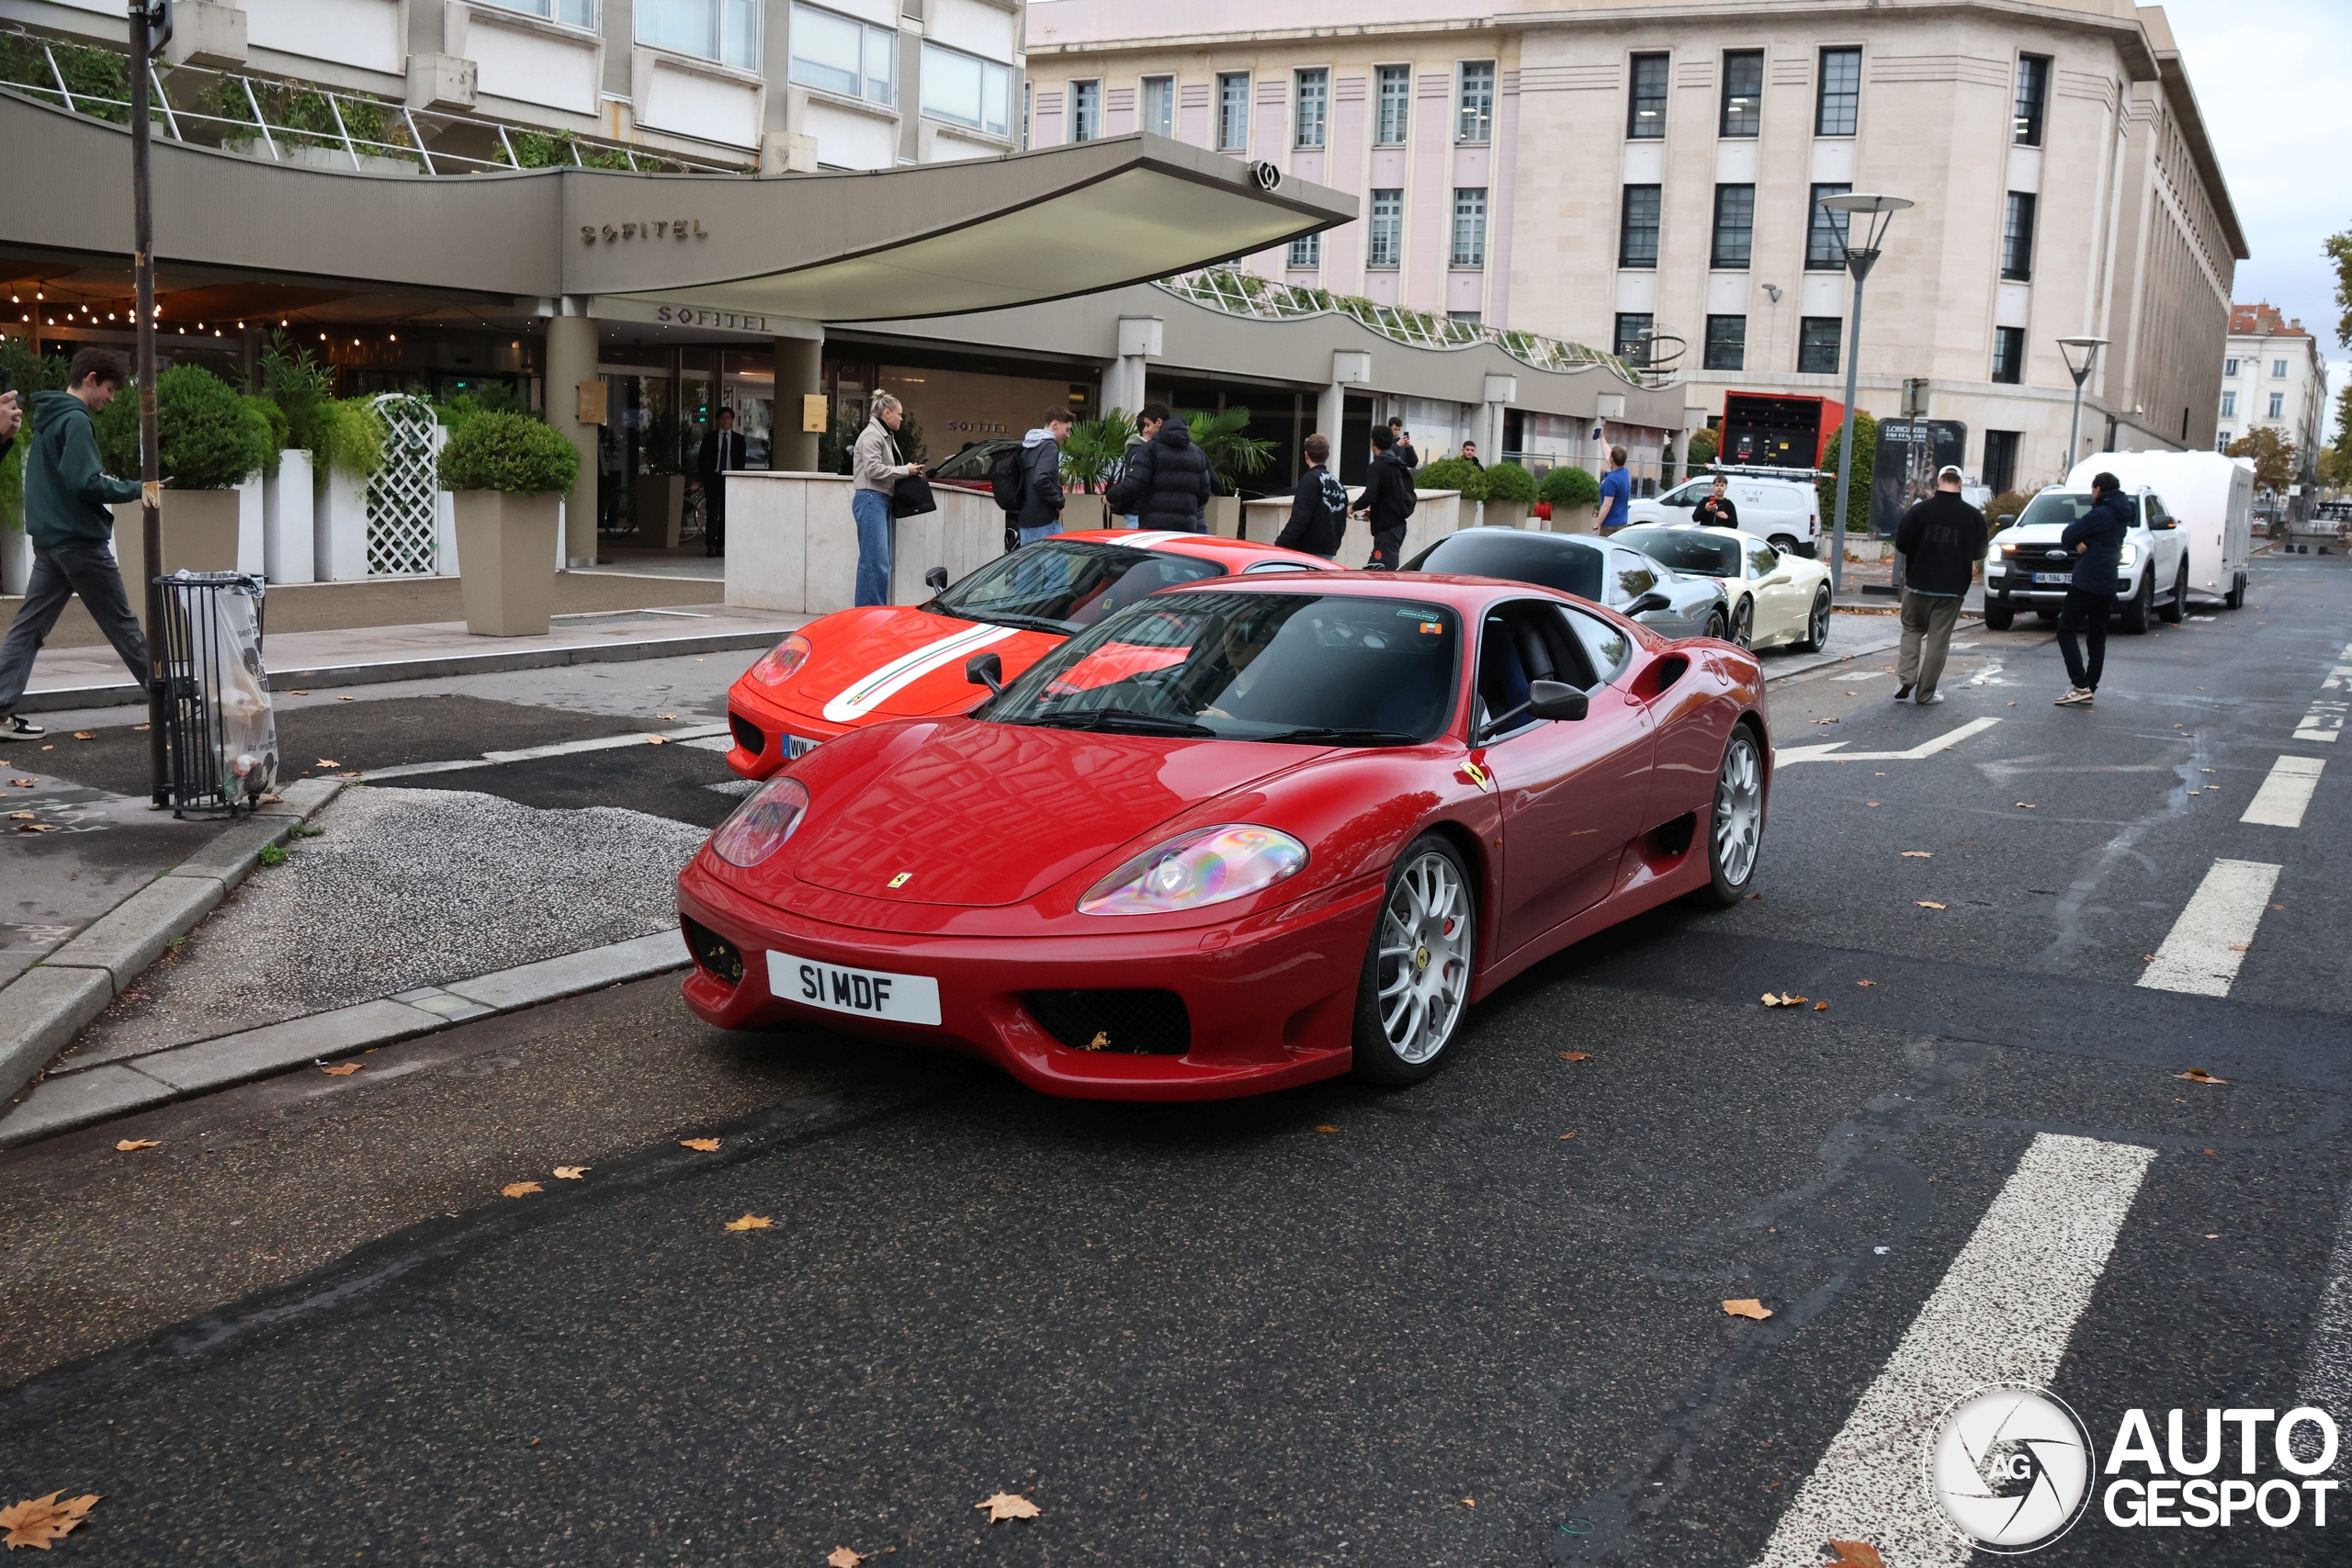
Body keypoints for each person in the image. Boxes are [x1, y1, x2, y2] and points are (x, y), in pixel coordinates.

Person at [0, 348, 149, 742]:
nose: (111, 398)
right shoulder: (76, 420)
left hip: (50, 542)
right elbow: (86, 481)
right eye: (110, 388)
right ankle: (176, 698)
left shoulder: (48, 417)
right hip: (81, 542)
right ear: (91, 378)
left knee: (28, 628)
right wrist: (137, 489)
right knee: (123, 625)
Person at [1891, 463, 1987, 705]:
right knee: (1938, 640)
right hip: (1951, 590)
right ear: (1960, 484)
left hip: (1917, 584)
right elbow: (1979, 552)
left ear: (1938, 482)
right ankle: (1926, 693)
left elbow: (1901, 544)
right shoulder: (1973, 516)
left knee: (1912, 630)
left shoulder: (1919, 511)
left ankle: (1906, 678)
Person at [2054, 472, 2132, 707]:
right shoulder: (2122, 514)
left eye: (2092, 489)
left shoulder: (2101, 513)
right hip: (2108, 581)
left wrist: (2082, 538)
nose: (2091, 493)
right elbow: (2103, 537)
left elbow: (2068, 535)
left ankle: (2080, 685)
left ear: (2099, 489)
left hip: (2087, 581)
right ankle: (2090, 686)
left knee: (2065, 629)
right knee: (2097, 637)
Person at [850, 392, 922, 607]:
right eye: (899, 414)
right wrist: (905, 470)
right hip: (871, 498)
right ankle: (869, 614)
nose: (901, 419)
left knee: (878, 562)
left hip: (876, 499)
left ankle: (871, 612)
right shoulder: (873, 436)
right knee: (876, 562)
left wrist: (907, 471)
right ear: (887, 413)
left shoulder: (880, 435)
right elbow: (873, 470)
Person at [1105, 401, 1209, 533]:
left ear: (1159, 422)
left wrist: (1110, 496)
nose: (1146, 430)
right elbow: (1204, 492)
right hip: (1186, 526)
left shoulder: (1149, 449)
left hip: (1154, 525)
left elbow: (1134, 484)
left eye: (1148, 425)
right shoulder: (1196, 452)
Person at [1351, 424, 1417, 569]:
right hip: (1398, 526)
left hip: (1387, 530)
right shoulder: (1397, 463)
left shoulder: (1376, 466)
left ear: (1373, 442)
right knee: (1372, 570)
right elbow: (1392, 495)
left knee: (1384, 573)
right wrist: (1374, 512)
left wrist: (1352, 508)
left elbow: (1370, 495)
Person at [1274, 434, 1347, 558]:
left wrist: (1280, 545)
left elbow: (1300, 518)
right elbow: (1341, 521)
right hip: (1329, 551)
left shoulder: (1309, 481)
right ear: (1327, 455)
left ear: (1306, 455)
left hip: (1308, 552)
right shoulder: (1338, 485)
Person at [1014, 406, 1072, 546]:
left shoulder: (1028, 446)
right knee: (1057, 566)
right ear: (1055, 424)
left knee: (1029, 566)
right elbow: (1041, 479)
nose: (1068, 435)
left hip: (1025, 521)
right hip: (1045, 520)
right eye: (1067, 429)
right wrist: (1059, 502)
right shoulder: (1049, 447)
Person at [696, 406, 747, 558]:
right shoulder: (710, 437)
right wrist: (705, 475)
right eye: (722, 418)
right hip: (713, 478)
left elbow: (741, 462)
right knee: (712, 512)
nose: (725, 420)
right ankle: (710, 544)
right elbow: (702, 459)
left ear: (732, 420)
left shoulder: (739, 439)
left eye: (728, 417)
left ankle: (721, 545)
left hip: (730, 479)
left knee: (726, 513)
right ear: (718, 420)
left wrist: (738, 478)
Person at [1114, 406, 1164, 528]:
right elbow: (1135, 483)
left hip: (1138, 510)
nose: (1148, 430)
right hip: (1136, 511)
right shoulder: (1140, 450)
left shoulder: (1141, 449)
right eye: (1145, 426)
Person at [1595, 445, 1633, 534]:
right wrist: (1602, 437)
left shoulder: (1611, 480)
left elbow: (1607, 505)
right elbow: (1609, 454)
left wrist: (1596, 525)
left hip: (1610, 527)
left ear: (1611, 459)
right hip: (1622, 523)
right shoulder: (1624, 472)